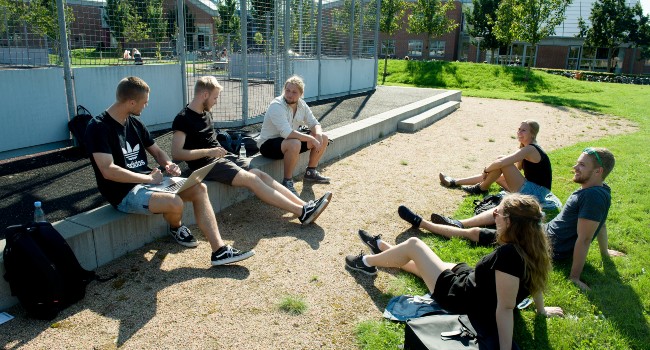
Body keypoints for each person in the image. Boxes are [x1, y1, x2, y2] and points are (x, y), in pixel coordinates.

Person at [346, 194, 564, 349]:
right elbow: (535, 283)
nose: (494, 213)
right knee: (425, 264)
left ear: (510, 221)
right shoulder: (533, 245)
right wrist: (541, 310)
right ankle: (385, 249)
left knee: (414, 245)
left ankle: (366, 262)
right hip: (473, 283)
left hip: (459, 296)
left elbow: (505, 309)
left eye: (499, 212)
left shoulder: (509, 256)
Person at [85, 76, 253, 266]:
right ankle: (177, 227)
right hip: (124, 192)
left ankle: (219, 250)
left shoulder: (133, 122)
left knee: (199, 188)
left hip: (149, 182)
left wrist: (167, 164)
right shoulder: (98, 127)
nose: (145, 106)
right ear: (131, 102)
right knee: (175, 203)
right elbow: (108, 171)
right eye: (144, 102)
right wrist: (147, 179)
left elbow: (156, 151)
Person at [400, 147, 625, 290]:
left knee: (480, 232)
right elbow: (600, 224)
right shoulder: (600, 190)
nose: (575, 167)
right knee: (507, 211)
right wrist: (605, 253)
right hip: (540, 232)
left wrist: (575, 276)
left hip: (537, 242)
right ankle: (456, 224)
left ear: (598, 172)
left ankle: (429, 225)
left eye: (582, 165)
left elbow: (584, 240)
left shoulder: (593, 196)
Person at [171, 76, 331, 225]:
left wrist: (217, 151)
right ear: (205, 95)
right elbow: (177, 154)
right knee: (252, 179)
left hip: (222, 156)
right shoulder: (183, 118)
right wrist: (208, 152)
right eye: (215, 97)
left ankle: (306, 205)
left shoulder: (205, 113)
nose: (216, 101)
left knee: (260, 174)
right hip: (206, 164)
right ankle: (302, 212)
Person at [439, 120, 552, 203]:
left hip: (536, 193)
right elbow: (519, 168)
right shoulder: (526, 148)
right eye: (519, 129)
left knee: (502, 162)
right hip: (533, 189)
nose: (519, 132)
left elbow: (503, 163)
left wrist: (486, 170)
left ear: (532, 134)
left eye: (523, 130)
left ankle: (482, 188)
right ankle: (455, 181)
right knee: (496, 173)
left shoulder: (531, 149)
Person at [256, 75, 330, 196]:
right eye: (288, 91)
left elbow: (314, 123)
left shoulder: (302, 105)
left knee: (324, 137)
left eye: (294, 92)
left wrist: (319, 135)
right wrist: (311, 138)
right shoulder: (277, 105)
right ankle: (287, 182)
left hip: (288, 142)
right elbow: (287, 133)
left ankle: (311, 172)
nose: (290, 95)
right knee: (295, 143)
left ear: (301, 94)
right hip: (268, 144)